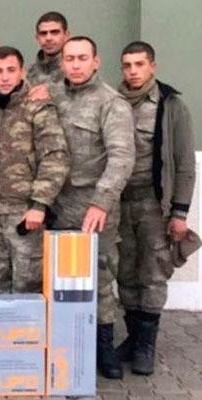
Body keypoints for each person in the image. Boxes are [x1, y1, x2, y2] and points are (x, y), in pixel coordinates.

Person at [51, 36, 135, 379]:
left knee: (99, 279)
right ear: (62, 63)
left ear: (96, 62)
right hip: (56, 206)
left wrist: (101, 202)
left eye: (82, 58)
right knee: (57, 281)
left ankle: (104, 348)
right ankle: (64, 348)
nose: (75, 64)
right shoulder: (52, 96)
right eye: (69, 58)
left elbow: (122, 157)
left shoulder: (111, 103)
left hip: (93, 210)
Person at [116, 41, 197, 375]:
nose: (133, 71)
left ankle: (146, 346)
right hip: (120, 203)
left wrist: (179, 214)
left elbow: (185, 163)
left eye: (139, 64)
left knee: (153, 273)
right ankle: (134, 338)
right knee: (125, 272)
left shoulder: (171, 105)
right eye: (127, 65)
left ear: (153, 66)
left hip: (153, 203)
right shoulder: (114, 101)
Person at [0, 46, 69, 293]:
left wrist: (39, 205)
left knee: (28, 286)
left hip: (24, 213)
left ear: (22, 72)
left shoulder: (38, 108)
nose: (5, 77)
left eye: (11, 70)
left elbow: (55, 157)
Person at [27, 11, 69, 86]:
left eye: (54, 32)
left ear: (66, 35)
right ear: (37, 38)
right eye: (43, 33)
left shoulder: (75, 69)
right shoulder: (29, 74)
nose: (48, 38)